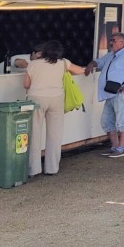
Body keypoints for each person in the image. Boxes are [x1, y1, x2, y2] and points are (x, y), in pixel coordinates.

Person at [23, 40, 86, 176]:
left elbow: (26, 84)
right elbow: (81, 70)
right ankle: (52, 168)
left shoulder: (33, 64)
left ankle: (34, 169)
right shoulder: (63, 63)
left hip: (37, 99)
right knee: (55, 134)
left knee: (34, 133)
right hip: (56, 99)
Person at [84, 31, 124, 158]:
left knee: (122, 121)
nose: (111, 42)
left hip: (122, 94)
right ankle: (115, 147)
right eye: (111, 40)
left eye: (113, 40)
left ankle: (121, 149)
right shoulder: (111, 55)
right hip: (110, 94)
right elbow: (99, 62)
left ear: (121, 42)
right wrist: (91, 65)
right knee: (106, 121)